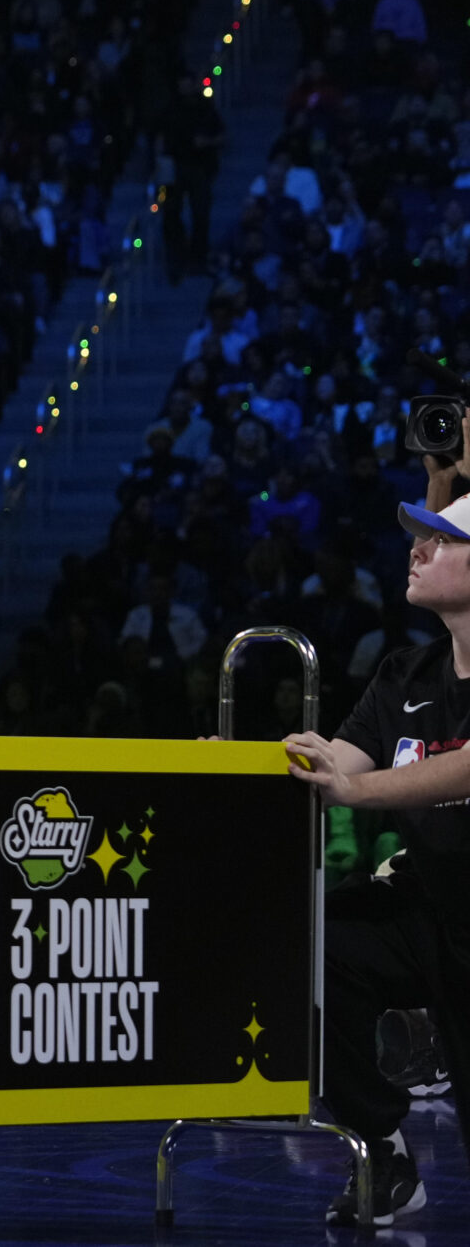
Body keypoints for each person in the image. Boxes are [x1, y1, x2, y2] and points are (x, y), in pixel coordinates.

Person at [285, 493, 470, 1226]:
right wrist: (241, 769)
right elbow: (331, 764)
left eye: (440, 541)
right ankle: (382, 1145)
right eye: (417, 540)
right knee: (311, 939)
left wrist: (355, 787)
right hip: (428, 913)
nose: (416, 552)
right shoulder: (405, 675)